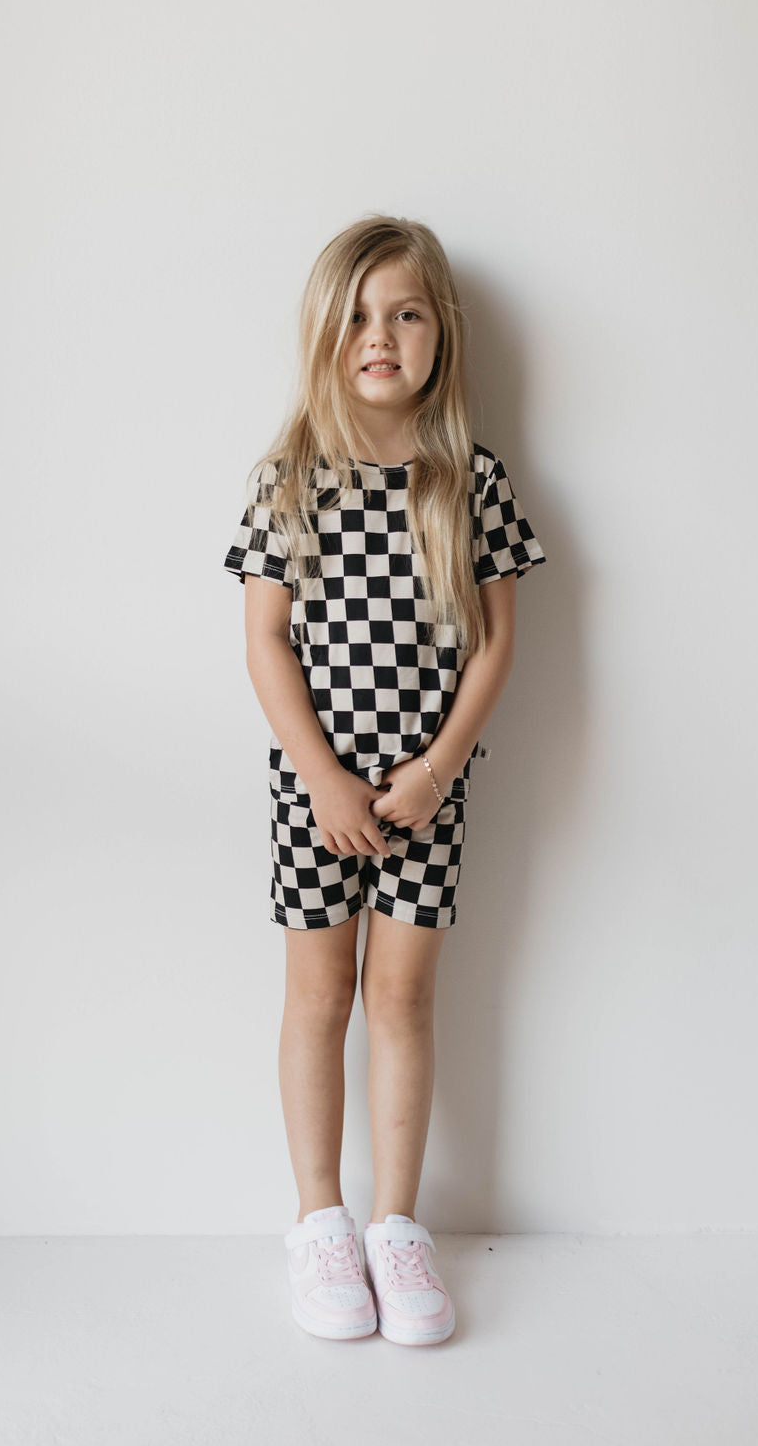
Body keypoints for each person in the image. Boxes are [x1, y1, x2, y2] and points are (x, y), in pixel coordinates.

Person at [223, 213, 546, 1345]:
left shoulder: (470, 481)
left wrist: (438, 766)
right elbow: (266, 640)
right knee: (319, 998)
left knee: (402, 999)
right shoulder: (289, 477)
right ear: (325, 331)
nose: (380, 334)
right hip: (315, 795)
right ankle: (319, 1219)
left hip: (425, 793)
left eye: (405, 312)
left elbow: (499, 639)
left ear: (438, 334)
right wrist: (322, 776)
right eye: (359, 313)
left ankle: (396, 1224)